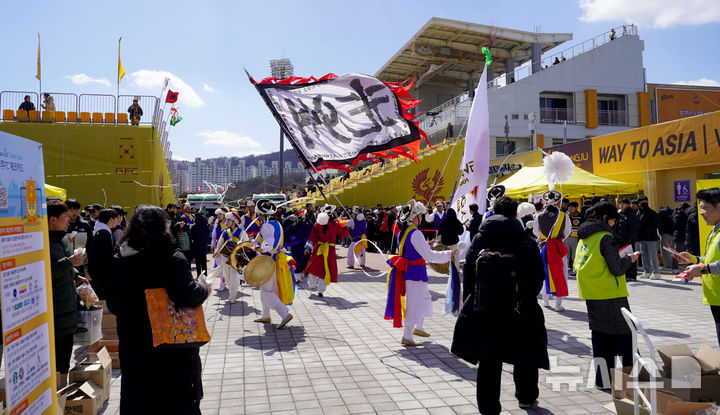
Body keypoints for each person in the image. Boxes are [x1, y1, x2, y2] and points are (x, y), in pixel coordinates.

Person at [107, 205, 210, 414]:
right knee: (176, 401)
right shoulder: (170, 256)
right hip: (170, 348)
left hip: (133, 345)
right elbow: (187, 294)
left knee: (139, 399)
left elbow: (112, 304)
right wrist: (204, 289)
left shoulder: (120, 258)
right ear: (162, 228)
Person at [456, 196, 549, 414]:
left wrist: (473, 300)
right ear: (516, 214)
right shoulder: (525, 240)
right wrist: (526, 296)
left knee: (489, 360)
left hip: (486, 307)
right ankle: (526, 398)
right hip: (521, 306)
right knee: (525, 353)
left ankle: (489, 409)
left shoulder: (480, 238)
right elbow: (538, 275)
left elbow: (469, 272)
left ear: (493, 212)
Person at [574, 201, 639, 389]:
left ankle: (603, 381)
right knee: (625, 336)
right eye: (612, 220)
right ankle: (633, 382)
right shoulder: (605, 237)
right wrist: (630, 259)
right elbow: (617, 269)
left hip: (591, 293)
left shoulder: (585, 237)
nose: (613, 224)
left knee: (601, 338)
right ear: (605, 218)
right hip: (611, 294)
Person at [385, 200, 452, 346]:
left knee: (422, 299)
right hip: (414, 273)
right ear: (415, 217)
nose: (422, 217)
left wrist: (425, 247)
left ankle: (418, 328)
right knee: (414, 303)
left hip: (413, 272)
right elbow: (429, 256)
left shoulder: (405, 231)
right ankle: (407, 336)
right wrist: (449, 254)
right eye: (421, 215)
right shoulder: (415, 233)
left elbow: (413, 250)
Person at [48, 200, 88, 388]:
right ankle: (58, 395)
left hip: (66, 308)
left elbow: (63, 265)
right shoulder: (42, 242)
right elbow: (44, 272)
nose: (68, 221)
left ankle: (61, 393)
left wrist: (76, 275)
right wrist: (69, 263)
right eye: (64, 217)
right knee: (58, 357)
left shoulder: (59, 239)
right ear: (52, 220)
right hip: (55, 310)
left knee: (65, 355)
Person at [676, 188, 720, 347]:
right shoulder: (715, 230)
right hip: (716, 297)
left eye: (705, 208)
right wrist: (694, 259)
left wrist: (702, 269)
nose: (701, 213)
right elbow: (712, 259)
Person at [252, 200, 294, 328]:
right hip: (275, 259)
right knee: (265, 289)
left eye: (258, 214)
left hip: (269, 260)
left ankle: (284, 313)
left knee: (266, 290)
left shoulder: (266, 226)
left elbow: (270, 244)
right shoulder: (276, 223)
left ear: (262, 215)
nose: (257, 217)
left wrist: (259, 248)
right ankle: (266, 315)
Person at [534, 191, 571, 312]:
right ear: (557, 201)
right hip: (558, 248)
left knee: (545, 273)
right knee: (560, 274)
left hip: (544, 247)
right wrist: (558, 239)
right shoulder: (563, 215)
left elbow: (536, 232)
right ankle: (558, 303)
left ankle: (545, 301)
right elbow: (567, 231)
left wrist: (546, 238)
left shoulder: (539, 216)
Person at [304, 205, 349, 297]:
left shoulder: (317, 224)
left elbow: (312, 236)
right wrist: (347, 226)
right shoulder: (335, 224)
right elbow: (343, 234)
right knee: (325, 269)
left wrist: (307, 247)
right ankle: (321, 289)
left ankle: (311, 284)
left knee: (314, 266)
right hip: (329, 250)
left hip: (318, 249)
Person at [214, 212, 247, 303]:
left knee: (233, 277)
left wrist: (239, 245)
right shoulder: (225, 232)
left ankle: (233, 296)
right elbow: (220, 243)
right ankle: (231, 290)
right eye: (227, 220)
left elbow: (245, 244)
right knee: (227, 278)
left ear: (234, 221)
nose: (227, 222)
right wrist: (217, 252)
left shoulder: (241, 232)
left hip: (235, 259)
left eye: (229, 220)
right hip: (225, 257)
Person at [87, 208, 118, 300]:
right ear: (111, 219)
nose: (117, 221)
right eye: (115, 218)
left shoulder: (101, 230)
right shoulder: (104, 233)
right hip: (101, 273)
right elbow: (106, 257)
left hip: (97, 271)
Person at [66, 198, 93, 277]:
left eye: (76, 209)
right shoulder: (61, 225)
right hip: (67, 262)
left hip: (81, 263)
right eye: (71, 210)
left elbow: (90, 244)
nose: (74, 212)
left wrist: (89, 261)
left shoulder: (85, 225)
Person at [636, 196, 661, 279]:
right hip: (642, 237)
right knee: (644, 255)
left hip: (651, 237)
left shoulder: (652, 212)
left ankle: (656, 272)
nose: (642, 203)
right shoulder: (639, 212)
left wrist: (648, 229)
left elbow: (656, 224)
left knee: (653, 255)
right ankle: (647, 271)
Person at [617, 198, 639, 281]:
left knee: (631, 257)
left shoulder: (631, 214)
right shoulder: (620, 214)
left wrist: (629, 239)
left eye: (622, 204)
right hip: (620, 240)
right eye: (620, 204)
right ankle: (624, 274)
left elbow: (633, 228)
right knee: (623, 257)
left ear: (627, 205)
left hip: (628, 241)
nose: (621, 206)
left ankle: (632, 275)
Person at [189, 211, 210, 278]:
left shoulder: (195, 227)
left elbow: (191, 236)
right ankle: (205, 276)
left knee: (198, 264)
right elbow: (208, 234)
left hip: (197, 246)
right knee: (204, 263)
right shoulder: (206, 227)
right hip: (204, 246)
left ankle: (199, 276)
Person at [671, 203, 691, 274]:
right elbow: (678, 227)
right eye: (687, 209)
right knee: (677, 253)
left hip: (683, 237)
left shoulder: (685, 215)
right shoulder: (677, 216)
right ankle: (674, 269)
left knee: (684, 253)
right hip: (679, 237)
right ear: (683, 209)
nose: (688, 210)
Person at [565, 201, 583, 273]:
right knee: (566, 254)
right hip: (566, 237)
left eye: (572, 207)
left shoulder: (579, 215)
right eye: (569, 207)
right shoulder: (566, 215)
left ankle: (574, 269)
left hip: (575, 237)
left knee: (574, 255)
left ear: (576, 208)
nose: (570, 208)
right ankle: (565, 269)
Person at [659, 205, 675, 270]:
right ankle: (673, 263)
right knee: (672, 249)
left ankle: (668, 264)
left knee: (665, 249)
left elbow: (659, 223)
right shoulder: (673, 212)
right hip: (673, 233)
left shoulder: (661, 213)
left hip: (665, 233)